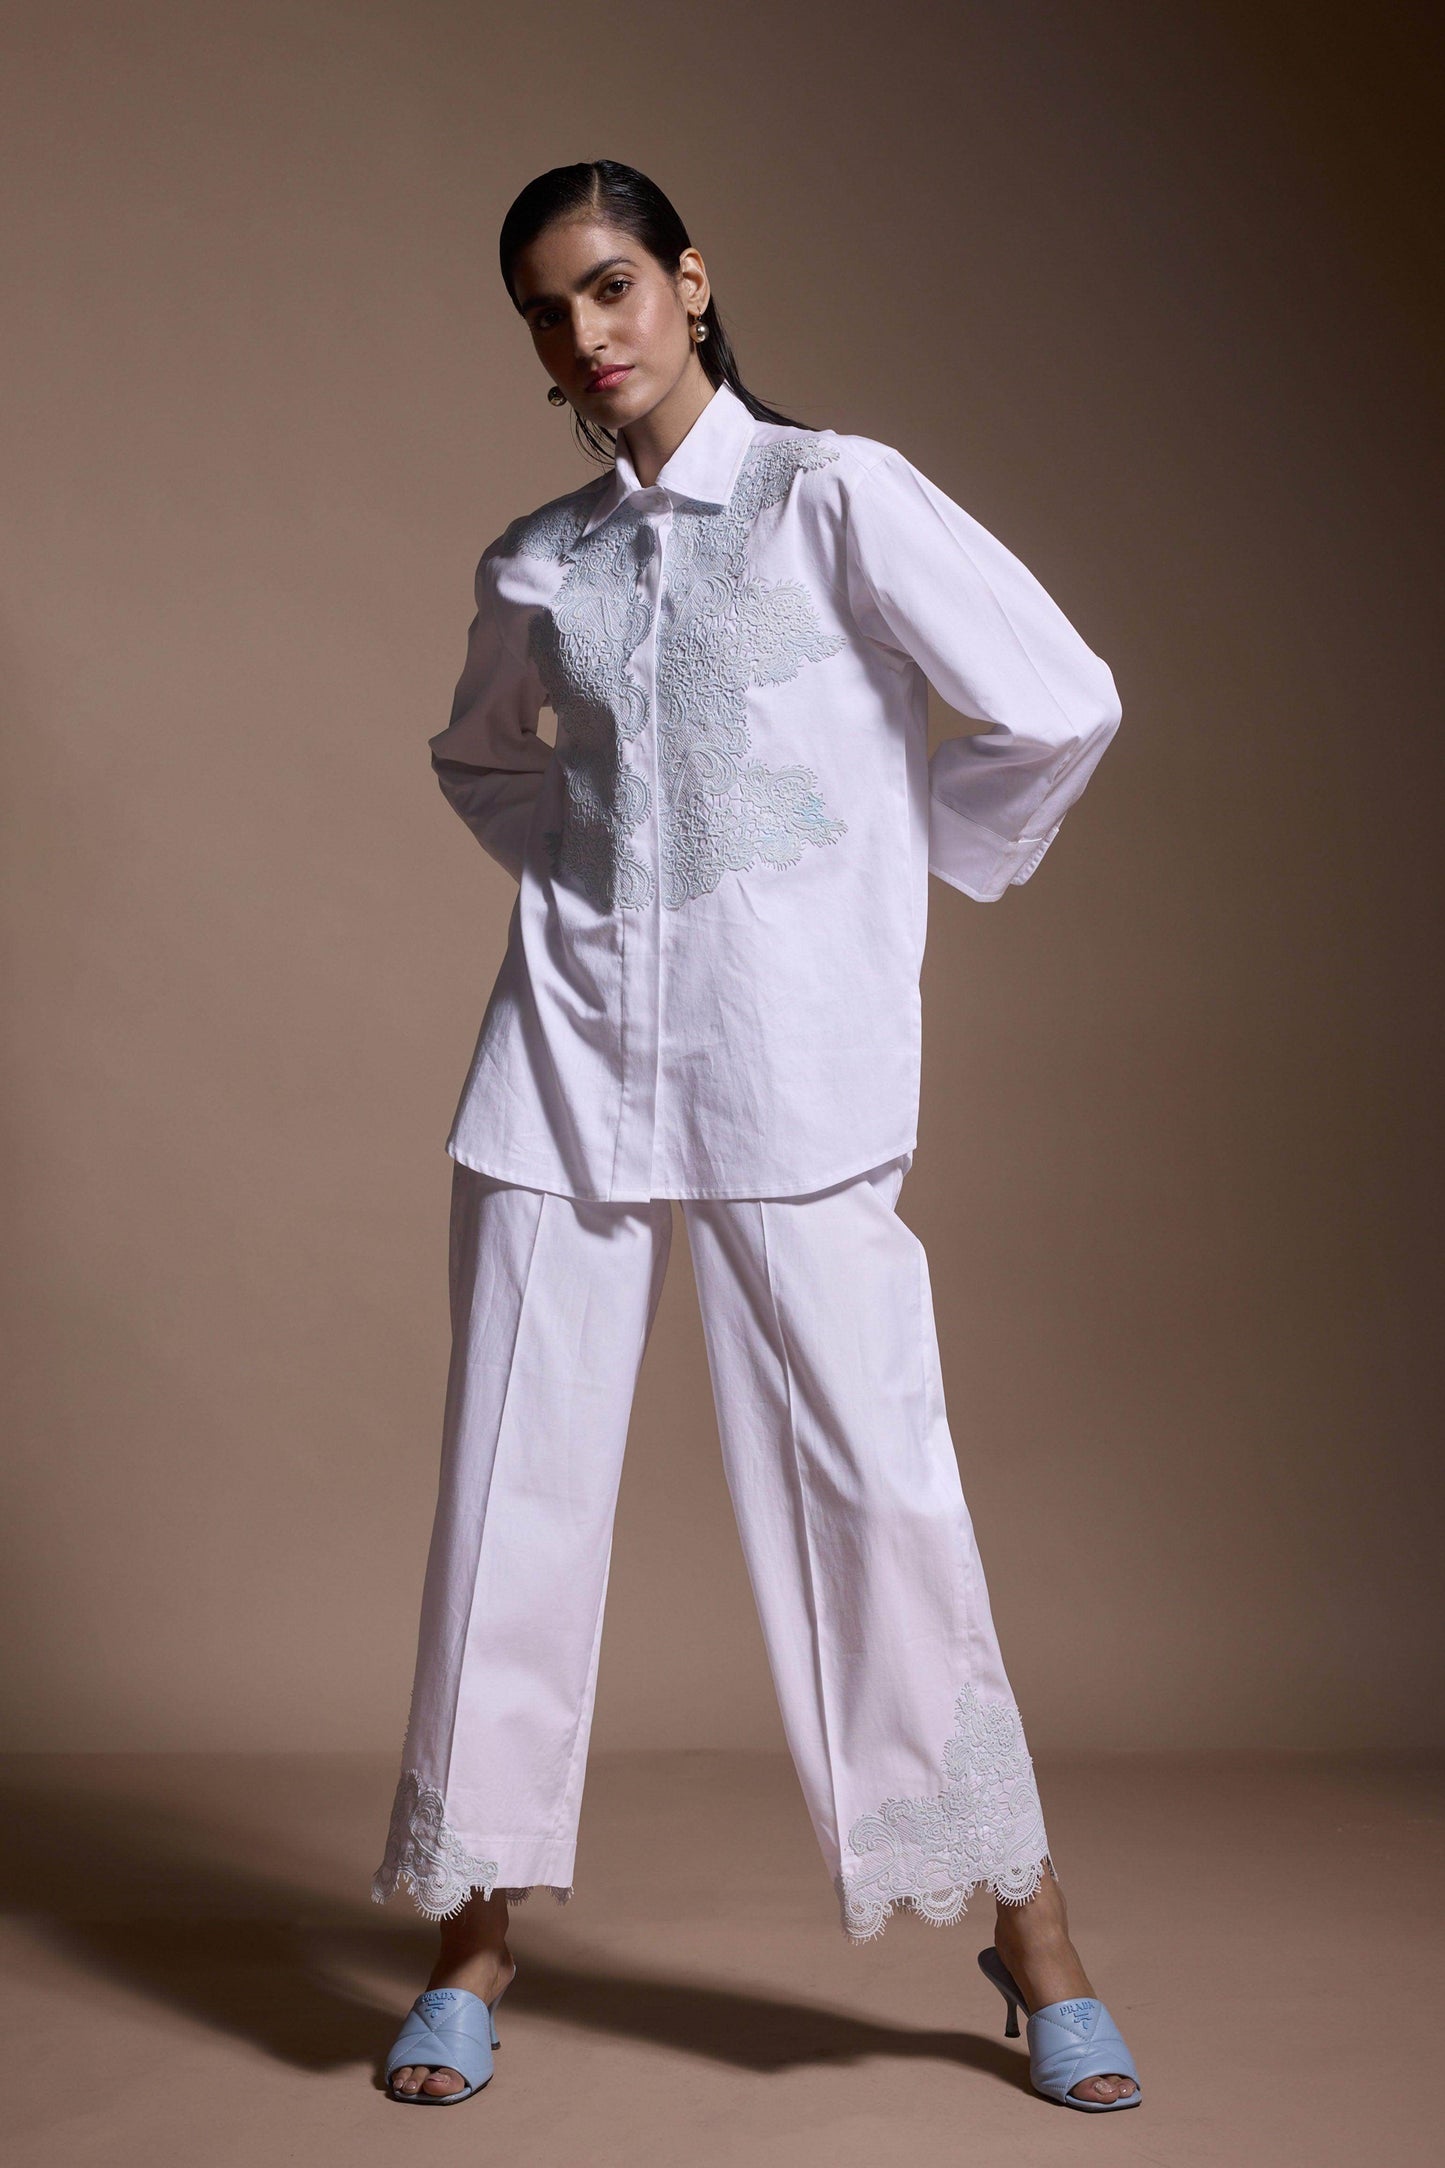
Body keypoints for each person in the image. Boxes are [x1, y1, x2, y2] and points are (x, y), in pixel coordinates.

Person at [372, 159, 1140, 2114]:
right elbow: (481, 759)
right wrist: (597, 878)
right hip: (557, 1078)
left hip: (788, 1076)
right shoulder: (538, 562)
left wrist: (884, 874)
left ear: (690, 282)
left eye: (612, 287)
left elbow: (1057, 704)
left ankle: (1033, 1933)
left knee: (881, 1494)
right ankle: (470, 1940)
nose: (586, 336)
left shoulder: (834, 498)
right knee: (506, 1509)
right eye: (547, 310)